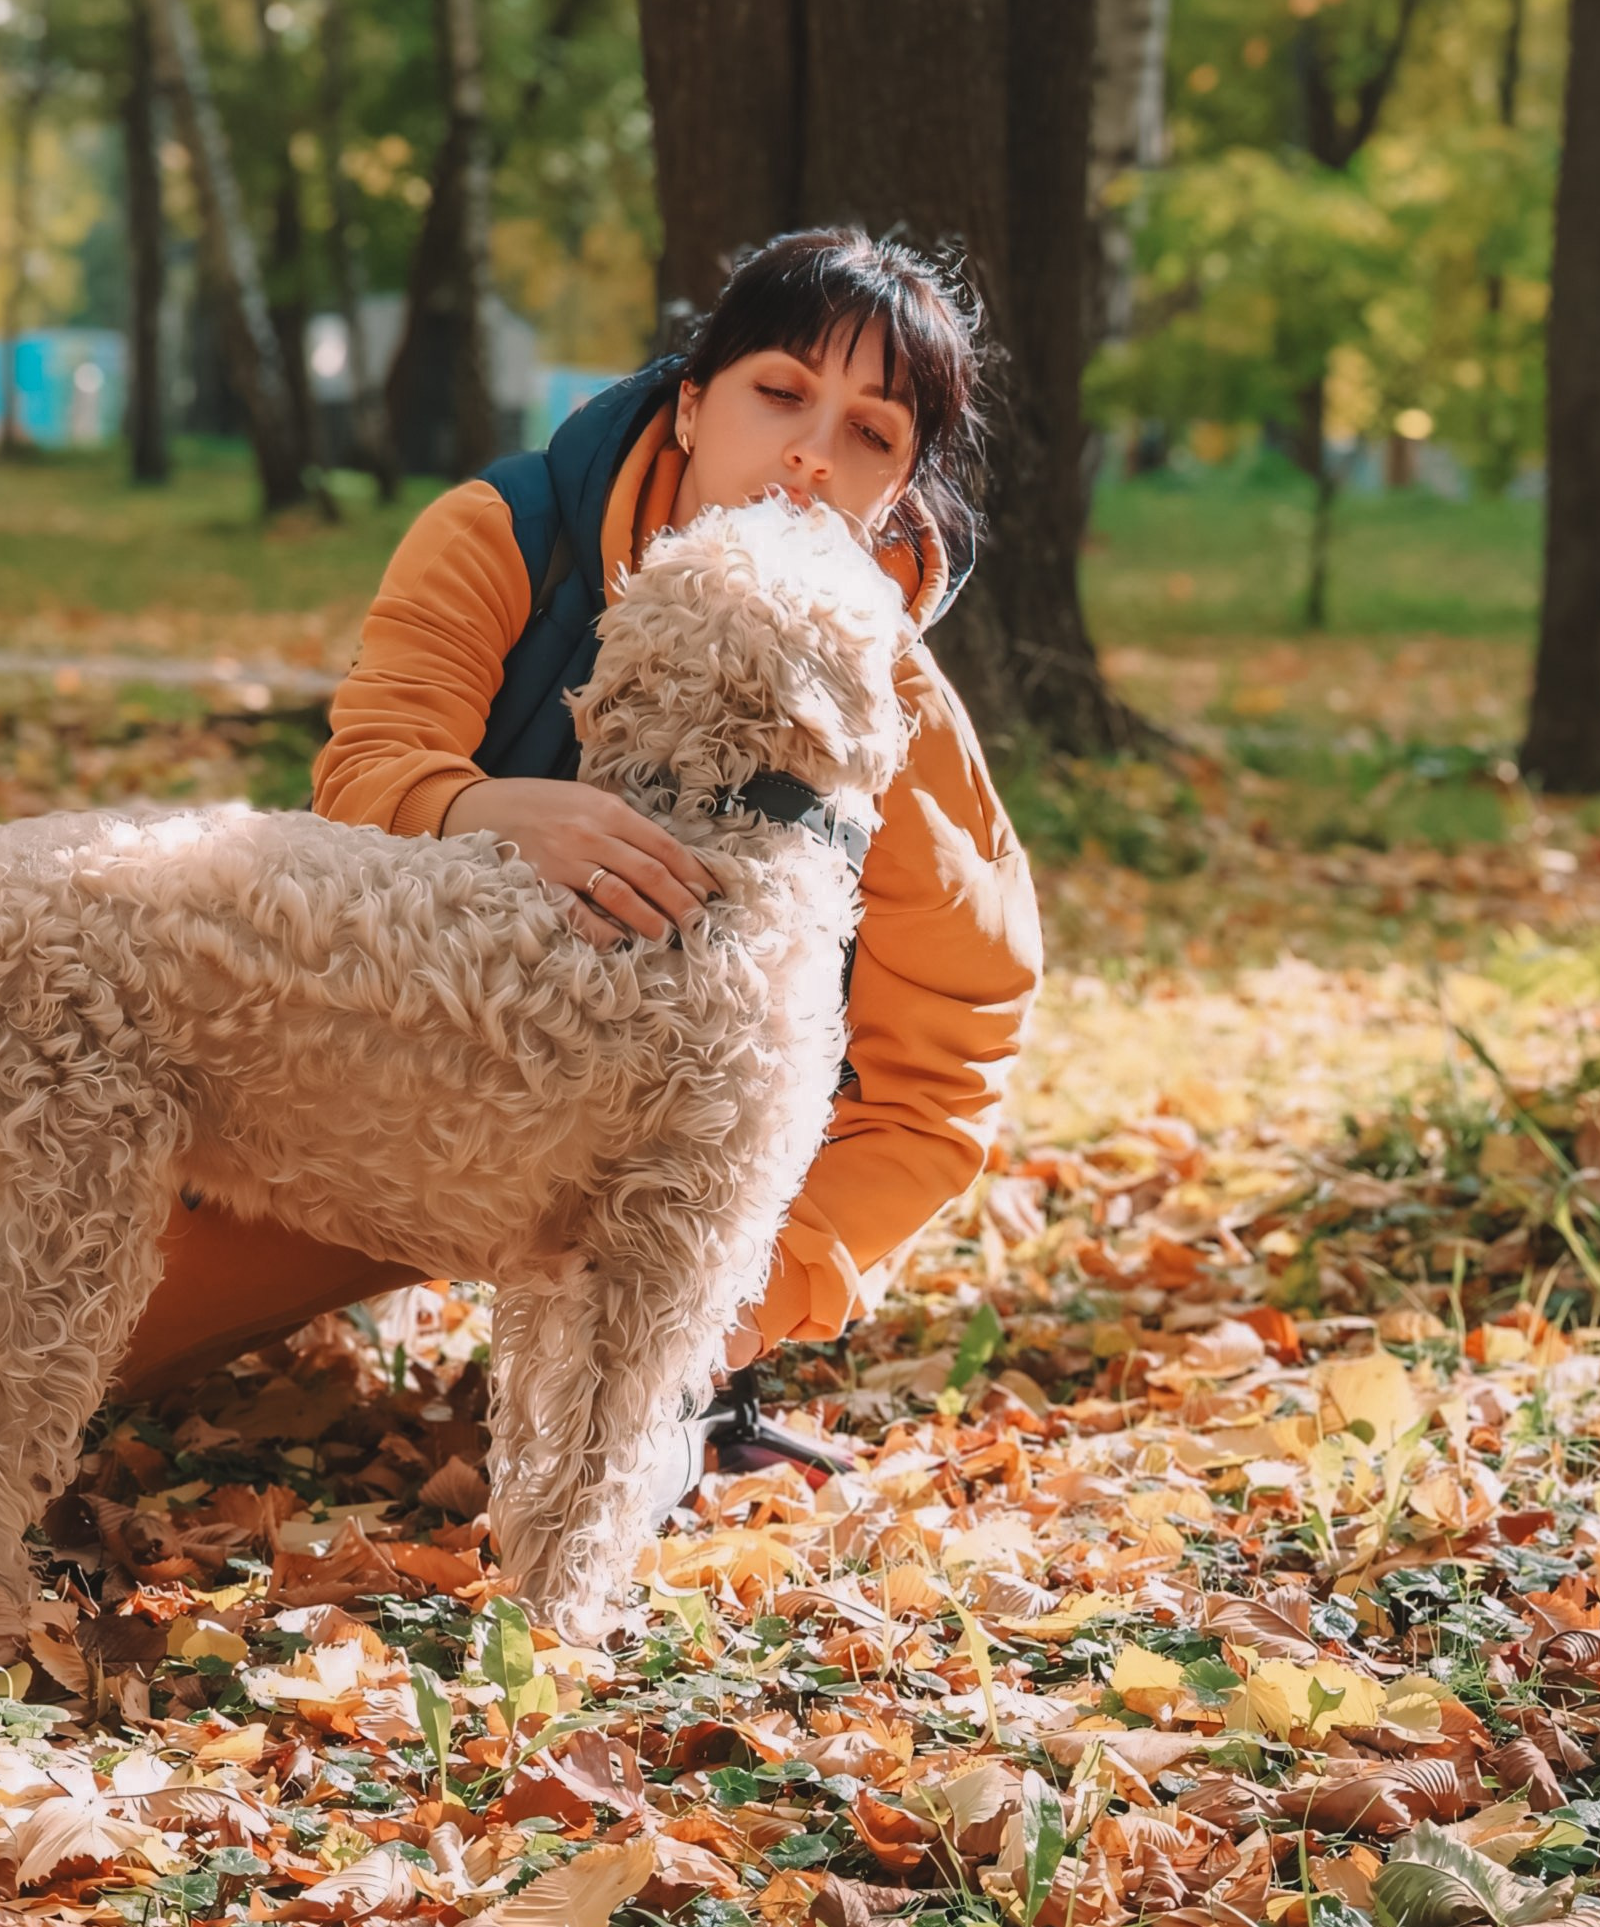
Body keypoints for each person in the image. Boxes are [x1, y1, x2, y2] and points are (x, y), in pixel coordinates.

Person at [105, 225, 1041, 1415]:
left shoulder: (887, 693)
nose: (810, 456)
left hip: (668, 1189)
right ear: (693, 405)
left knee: (608, 1478)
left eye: (868, 433)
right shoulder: (509, 535)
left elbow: (946, 1064)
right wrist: (475, 807)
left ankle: (680, 1405)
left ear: (895, 490)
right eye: (780, 394)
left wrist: (731, 1299)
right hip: (393, 1103)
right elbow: (366, 765)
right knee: (73, 1356)